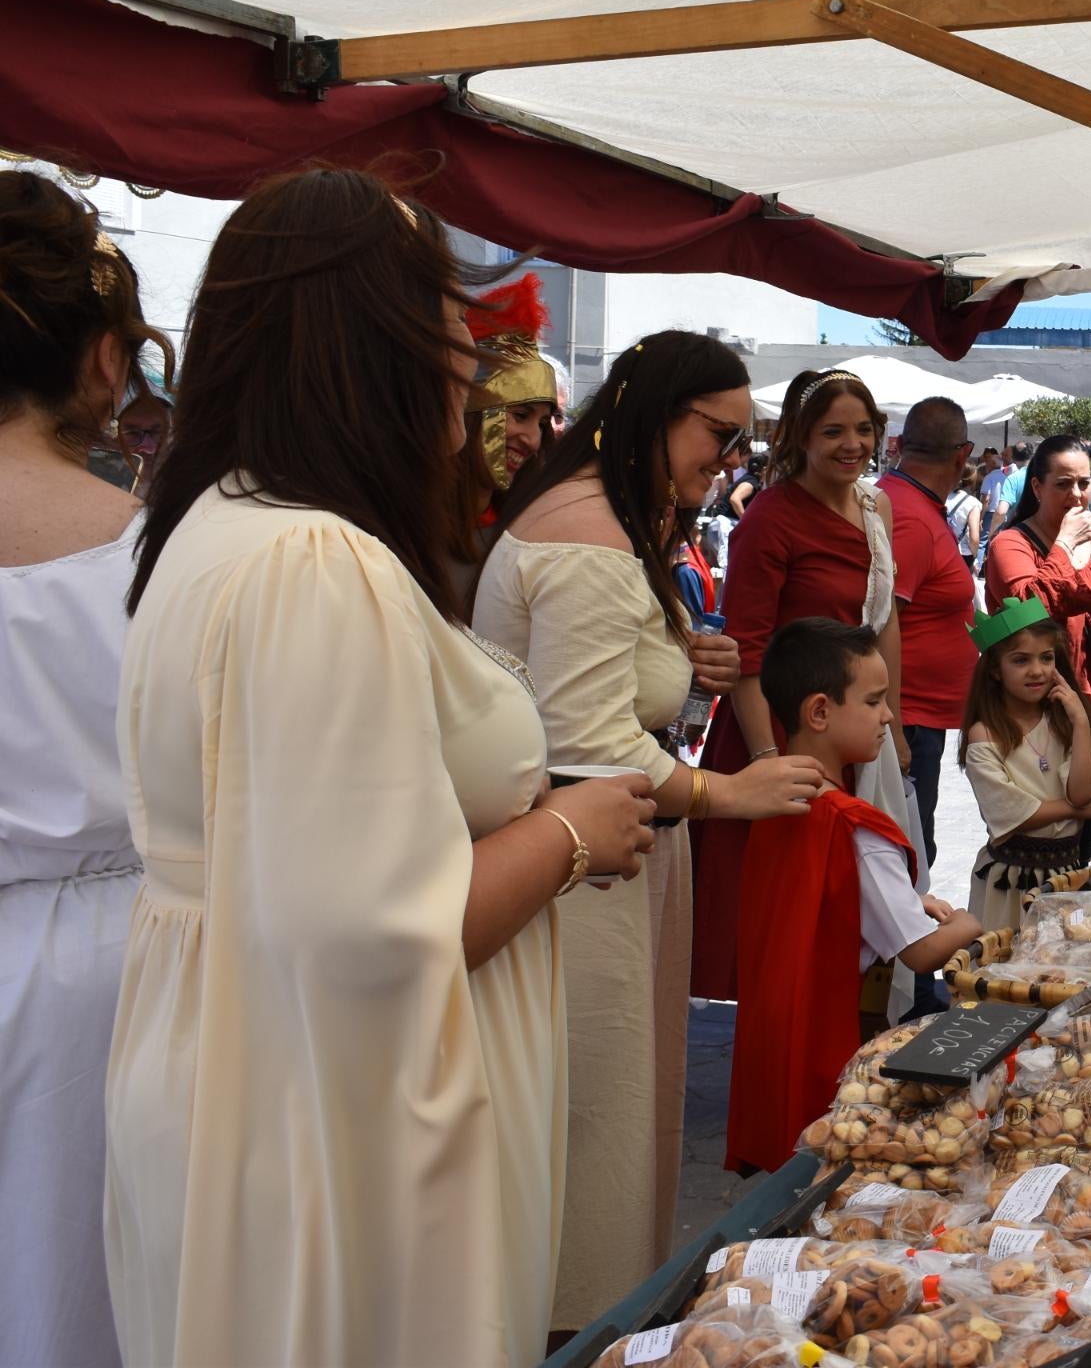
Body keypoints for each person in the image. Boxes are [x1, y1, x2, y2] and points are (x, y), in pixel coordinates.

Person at [107, 168, 658, 1367]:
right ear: (376, 356)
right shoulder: (311, 561)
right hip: (328, 1118)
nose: (469, 383)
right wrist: (572, 831)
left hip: (255, 1078)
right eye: (454, 343)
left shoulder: (215, 526)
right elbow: (374, 928)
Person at [479, 328, 822, 1334]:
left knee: (613, 1120)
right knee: (594, 1126)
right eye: (718, 436)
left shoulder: (606, 514)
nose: (727, 463)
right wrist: (726, 794)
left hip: (599, 860)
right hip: (580, 871)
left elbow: (597, 686)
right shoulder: (587, 534)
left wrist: (680, 657)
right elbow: (587, 739)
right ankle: (573, 1336)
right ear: (650, 408)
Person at [0, 173, 173, 1368]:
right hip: (117, 960)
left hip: (83, 937)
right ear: (103, 358)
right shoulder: (148, 550)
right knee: (87, 1286)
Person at [692, 369, 920, 1003]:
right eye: (834, 431)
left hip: (851, 736)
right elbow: (748, 653)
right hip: (778, 734)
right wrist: (770, 762)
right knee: (774, 917)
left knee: (849, 906)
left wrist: (891, 724)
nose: (852, 444)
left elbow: (885, 622)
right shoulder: (770, 517)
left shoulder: (877, 506)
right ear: (800, 436)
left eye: (864, 430)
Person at [725, 619, 982, 1174]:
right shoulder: (855, 826)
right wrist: (966, 923)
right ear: (820, 712)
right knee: (821, 1175)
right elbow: (920, 953)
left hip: (771, 1037)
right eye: (874, 700)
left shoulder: (770, 801)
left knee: (780, 1174)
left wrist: (913, 908)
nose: (889, 716)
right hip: (826, 1048)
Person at [959, 597, 1091, 928]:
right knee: (1006, 962)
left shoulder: (1062, 724)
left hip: (1064, 874)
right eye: (1021, 660)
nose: (1037, 670)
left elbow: (1082, 793)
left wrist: (1081, 722)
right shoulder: (985, 734)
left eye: (1046, 658)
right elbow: (1009, 812)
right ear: (996, 669)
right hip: (1008, 882)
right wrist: (1071, 810)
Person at [879, 396, 981, 873]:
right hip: (909, 722)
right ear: (963, 455)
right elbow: (881, 621)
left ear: (899, 445)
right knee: (908, 858)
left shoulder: (914, 504)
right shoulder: (913, 516)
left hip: (918, 719)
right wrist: (894, 725)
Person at [442, 271, 559, 605]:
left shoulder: (530, 532)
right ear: (472, 412)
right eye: (520, 415)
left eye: (543, 423)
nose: (533, 440)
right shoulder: (407, 526)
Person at [985, 432, 1091, 709]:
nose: (1076, 495)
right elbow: (1028, 611)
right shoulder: (1010, 544)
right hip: (1033, 709)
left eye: (1084, 484)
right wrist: (1065, 543)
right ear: (1037, 488)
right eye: (1063, 484)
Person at [995, 439, 1032, 516]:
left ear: (1013, 458)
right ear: (1030, 455)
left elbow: (1001, 512)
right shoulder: (1042, 475)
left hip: (1018, 525)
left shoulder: (1013, 479)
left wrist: (992, 528)